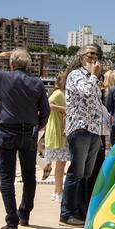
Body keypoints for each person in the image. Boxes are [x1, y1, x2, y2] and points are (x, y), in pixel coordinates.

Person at [0, 50, 49, 229]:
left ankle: (11, 222)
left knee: (7, 178)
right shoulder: (37, 82)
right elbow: (45, 110)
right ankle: (24, 214)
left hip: (7, 131)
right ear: (28, 65)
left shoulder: (1, 77)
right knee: (29, 176)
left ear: (11, 64)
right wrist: (38, 126)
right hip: (28, 132)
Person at [60, 46, 103, 226]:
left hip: (94, 130)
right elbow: (85, 92)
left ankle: (81, 212)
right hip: (80, 128)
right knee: (76, 173)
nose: (93, 57)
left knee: (86, 174)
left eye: (96, 54)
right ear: (80, 57)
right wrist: (94, 75)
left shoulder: (92, 78)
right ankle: (67, 213)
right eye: (90, 54)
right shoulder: (76, 75)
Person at [43, 73, 69, 203]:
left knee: (61, 164)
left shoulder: (62, 93)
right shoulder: (59, 93)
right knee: (60, 164)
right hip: (58, 132)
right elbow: (48, 105)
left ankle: (57, 190)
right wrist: (63, 109)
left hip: (60, 131)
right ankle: (59, 191)